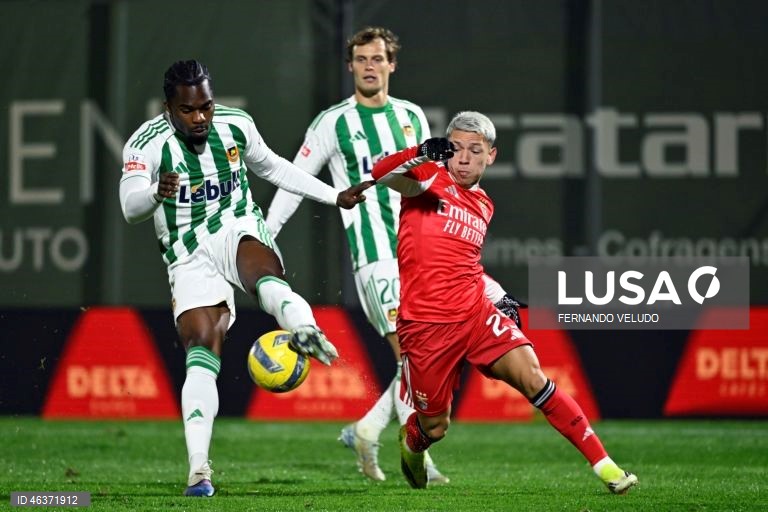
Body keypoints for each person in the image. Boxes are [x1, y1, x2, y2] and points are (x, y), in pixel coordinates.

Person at [266, 27, 523, 484]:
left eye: (378, 58)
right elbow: (295, 178)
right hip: (376, 257)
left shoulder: (411, 116)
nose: (370, 66)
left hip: (426, 259)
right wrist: (266, 236)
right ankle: (416, 454)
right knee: (412, 354)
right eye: (361, 58)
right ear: (351, 66)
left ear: (392, 64)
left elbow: (435, 178)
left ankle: (368, 430)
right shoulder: (332, 122)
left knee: (426, 354)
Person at [118, 60, 372, 497]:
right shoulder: (146, 144)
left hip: (236, 224)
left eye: (206, 107)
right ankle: (199, 470)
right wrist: (153, 192)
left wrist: (334, 196)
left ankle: (304, 328)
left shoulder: (235, 125)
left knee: (262, 273)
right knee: (202, 347)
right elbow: (129, 207)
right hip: (187, 252)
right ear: (168, 108)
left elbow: (273, 167)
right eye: (188, 110)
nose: (200, 118)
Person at [371, 111, 639, 494]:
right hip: (426, 327)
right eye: (456, 148)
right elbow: (379, 171)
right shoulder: (426, 180)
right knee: (436, 426)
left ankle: (607, 467)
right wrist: (420, 152)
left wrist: (499, 297)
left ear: (490, 156)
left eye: (474, 150)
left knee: (535, 379)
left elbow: (468, 265)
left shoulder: (484, 204)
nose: (463, 158)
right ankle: (413, 441)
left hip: (476, 315)